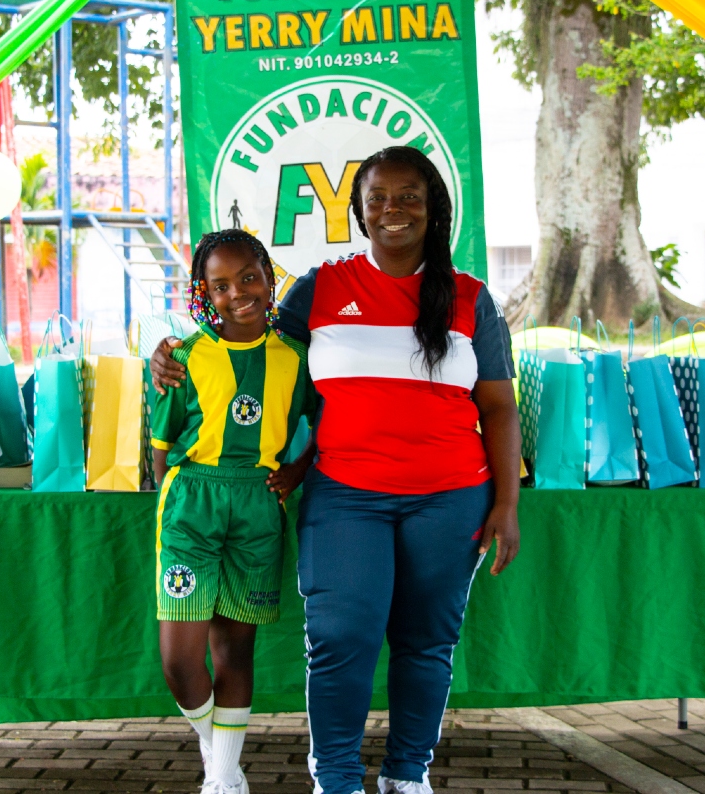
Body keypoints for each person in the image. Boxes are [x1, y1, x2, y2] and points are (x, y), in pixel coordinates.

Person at [153, 146, 521, 794]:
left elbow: (497, 407)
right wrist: (168, 359)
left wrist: (506, 505)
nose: (393, 210)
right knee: (340, 637)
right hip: (346, 497)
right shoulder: (321, 288)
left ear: (434, 207)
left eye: (409, 196)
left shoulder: (470, 299)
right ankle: (338, 779)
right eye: (378, 197)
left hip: (452, 498)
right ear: (358, 210)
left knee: (427, 642)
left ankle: (408, 775)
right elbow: (243, 342)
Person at [150, 228, 317, 794]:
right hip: (193, 503)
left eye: (249, 277)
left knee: (234, 649)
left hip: (257, 503)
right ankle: (216, 749)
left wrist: (295, 471)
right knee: (179, 660)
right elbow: (161, 444)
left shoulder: (296, 359)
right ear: (203, 292)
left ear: (271, 280)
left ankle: (223, 779)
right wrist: (170, 498)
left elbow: (321, 425)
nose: (238, 292)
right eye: (220, 284)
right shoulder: (184, 355)